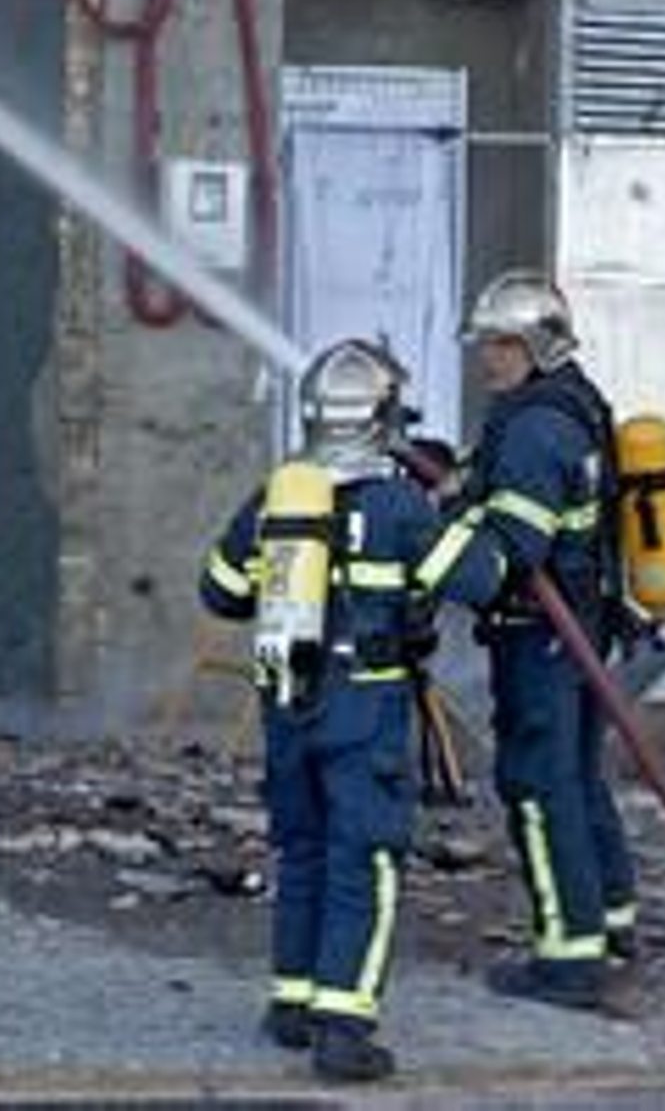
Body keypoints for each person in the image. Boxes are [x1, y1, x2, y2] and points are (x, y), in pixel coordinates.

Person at [200, 336, 495, 1085]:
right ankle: (345, 1026)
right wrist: (458, 507)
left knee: (302, 849)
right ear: (380, 419)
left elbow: (219, 591)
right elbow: (481, 578)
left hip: (286, 698)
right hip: (364, 705)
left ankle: (291, 1005)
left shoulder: (276, 495)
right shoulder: (398, 506)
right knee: (365, 858)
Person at [413, 270, 638, 1013]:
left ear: (535, 345)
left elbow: (507, 554)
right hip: (578, 630)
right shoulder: (566, 403)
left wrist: (426, 545)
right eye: (485, 344)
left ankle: (567, 959)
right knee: (577, 774)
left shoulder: (538, 426)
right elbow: (500, 487)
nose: (487, 358)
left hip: (544, 634)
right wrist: (452, 476)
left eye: (500, 345)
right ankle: (609, 920)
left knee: (540, 787)